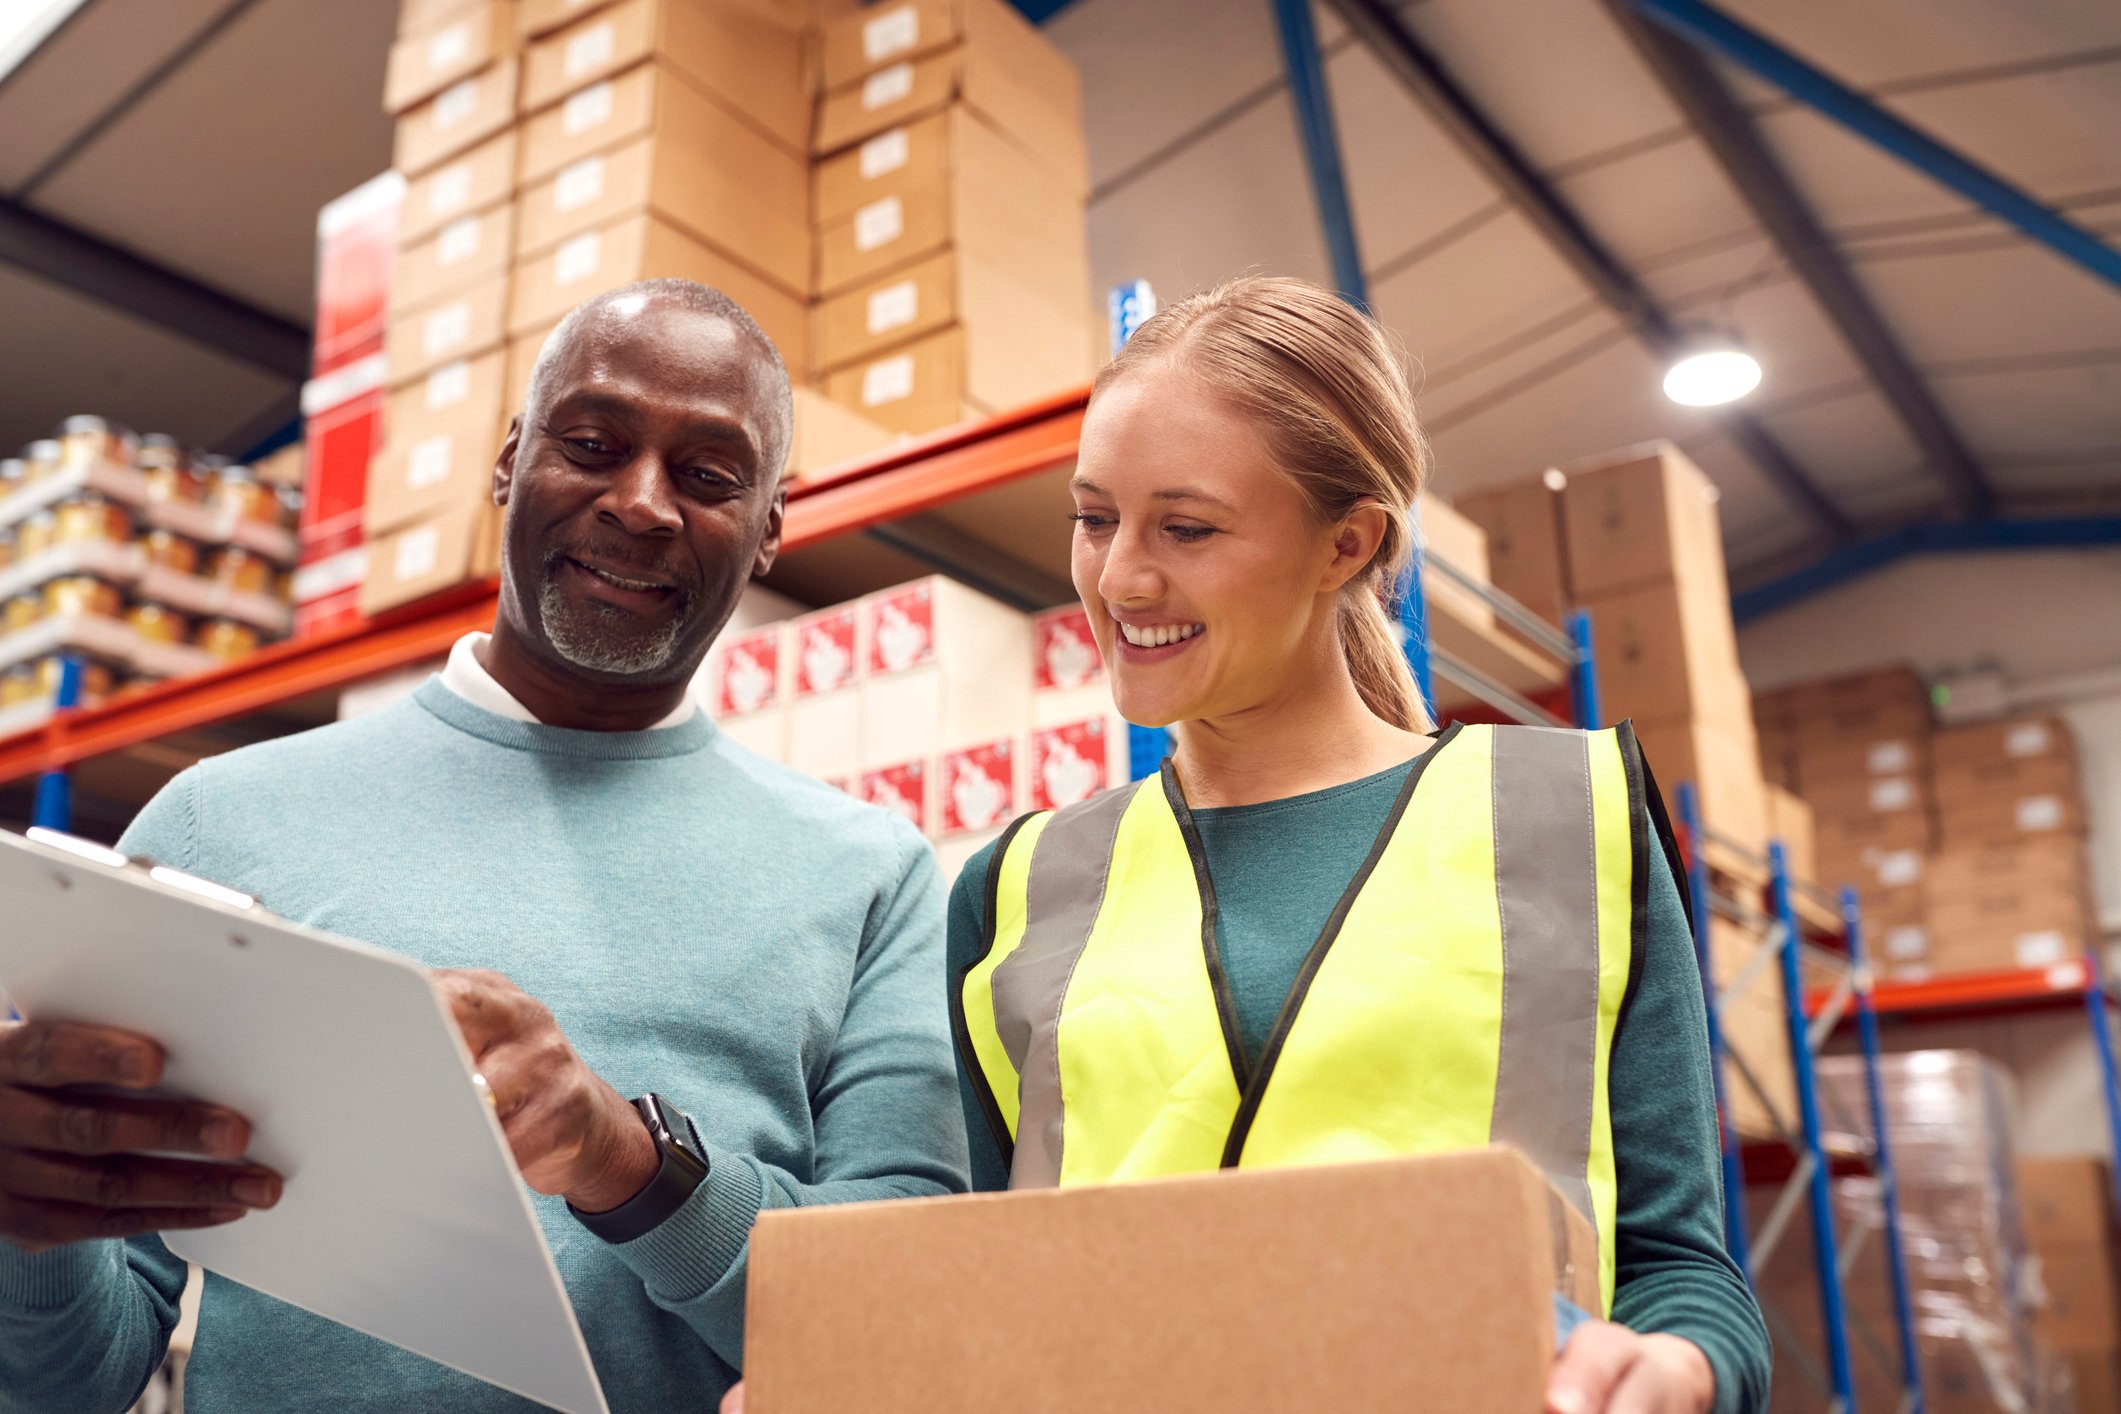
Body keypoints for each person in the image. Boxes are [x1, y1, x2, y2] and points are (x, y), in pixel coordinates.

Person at [0, 281, 968, 1413]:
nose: (644, 503)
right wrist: (29, 1218)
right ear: (510, 464)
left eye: (708, 475)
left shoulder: (871, 874)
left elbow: (909, 1309)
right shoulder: (218, 823)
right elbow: (69, 1385)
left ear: (769, 532)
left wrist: (630, 1163)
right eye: (594, 442)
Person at [947, 277, 1770, 1414]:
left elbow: (1682, 1270)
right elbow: (986, 1296)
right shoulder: (1016, 888)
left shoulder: (1565, 819)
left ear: (1349, 543)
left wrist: (1678, 1371)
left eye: (1186, 527)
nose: (1120, 577)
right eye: (1096, 516)